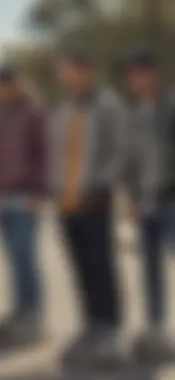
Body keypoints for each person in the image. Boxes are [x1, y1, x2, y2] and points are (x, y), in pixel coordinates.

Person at [51, 46, 126, 368]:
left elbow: (120, 152)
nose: (62, 75)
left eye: (66, 69)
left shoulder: (107, 104)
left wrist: (100, 184)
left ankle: (109, 330)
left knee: (101, 264)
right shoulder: (63, 109)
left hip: (94, 199)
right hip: (66, 201)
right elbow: (56, 154)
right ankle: (89, 324)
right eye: (60, 70)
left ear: (83, 69)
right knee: (79, 265)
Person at [0, 63, 48, 347]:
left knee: (26, 257)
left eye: (6, 83)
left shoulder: (34, 112)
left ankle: (35, 317)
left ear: (16, 83)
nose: (1, 89)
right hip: (1, 198)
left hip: (25, 195)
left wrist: (39, 192)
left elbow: (45, 153)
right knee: (13, 259)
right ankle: (19, 311)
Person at [124, 46, 175, 361]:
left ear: (152, 74)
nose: (134, 80)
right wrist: (131, 198)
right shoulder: (134, 113)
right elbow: (130, 161)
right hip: (145, 204)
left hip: (172, 200)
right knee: (150, 270)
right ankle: (156, 329)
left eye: (138, 74)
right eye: (130, 76)